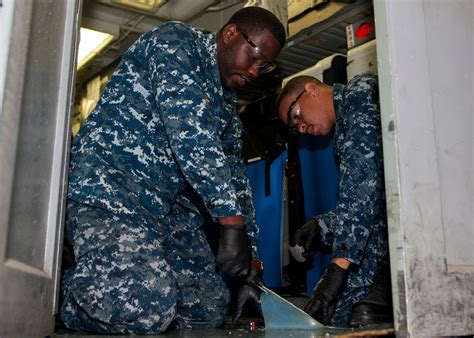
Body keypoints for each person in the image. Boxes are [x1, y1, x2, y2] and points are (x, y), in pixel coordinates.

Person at [60, 7, 286, 334]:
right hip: (109, 188)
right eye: (254, 56)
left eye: (264, 66)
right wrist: (229, 223)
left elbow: (236, 183)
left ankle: (131, 292)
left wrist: (251, 268)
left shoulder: (225, 107)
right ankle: (63, 289)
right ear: (231, 33)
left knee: (208, 308)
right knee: (143, 309)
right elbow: (191, 135)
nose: (255, 70)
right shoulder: (177, 43)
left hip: (163, 210)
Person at [276, 72, 392, 327]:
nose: (301, 127)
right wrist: (321, 227)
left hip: (412, 235)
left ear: (311, 89)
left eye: (296, 115)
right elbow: (367, 203)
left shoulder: (359, 94)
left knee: (349, 314)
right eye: (295, 128)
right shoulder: (343, 128)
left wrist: (338, 267)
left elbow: (362, 187)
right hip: (387, 235)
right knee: (327, 314)